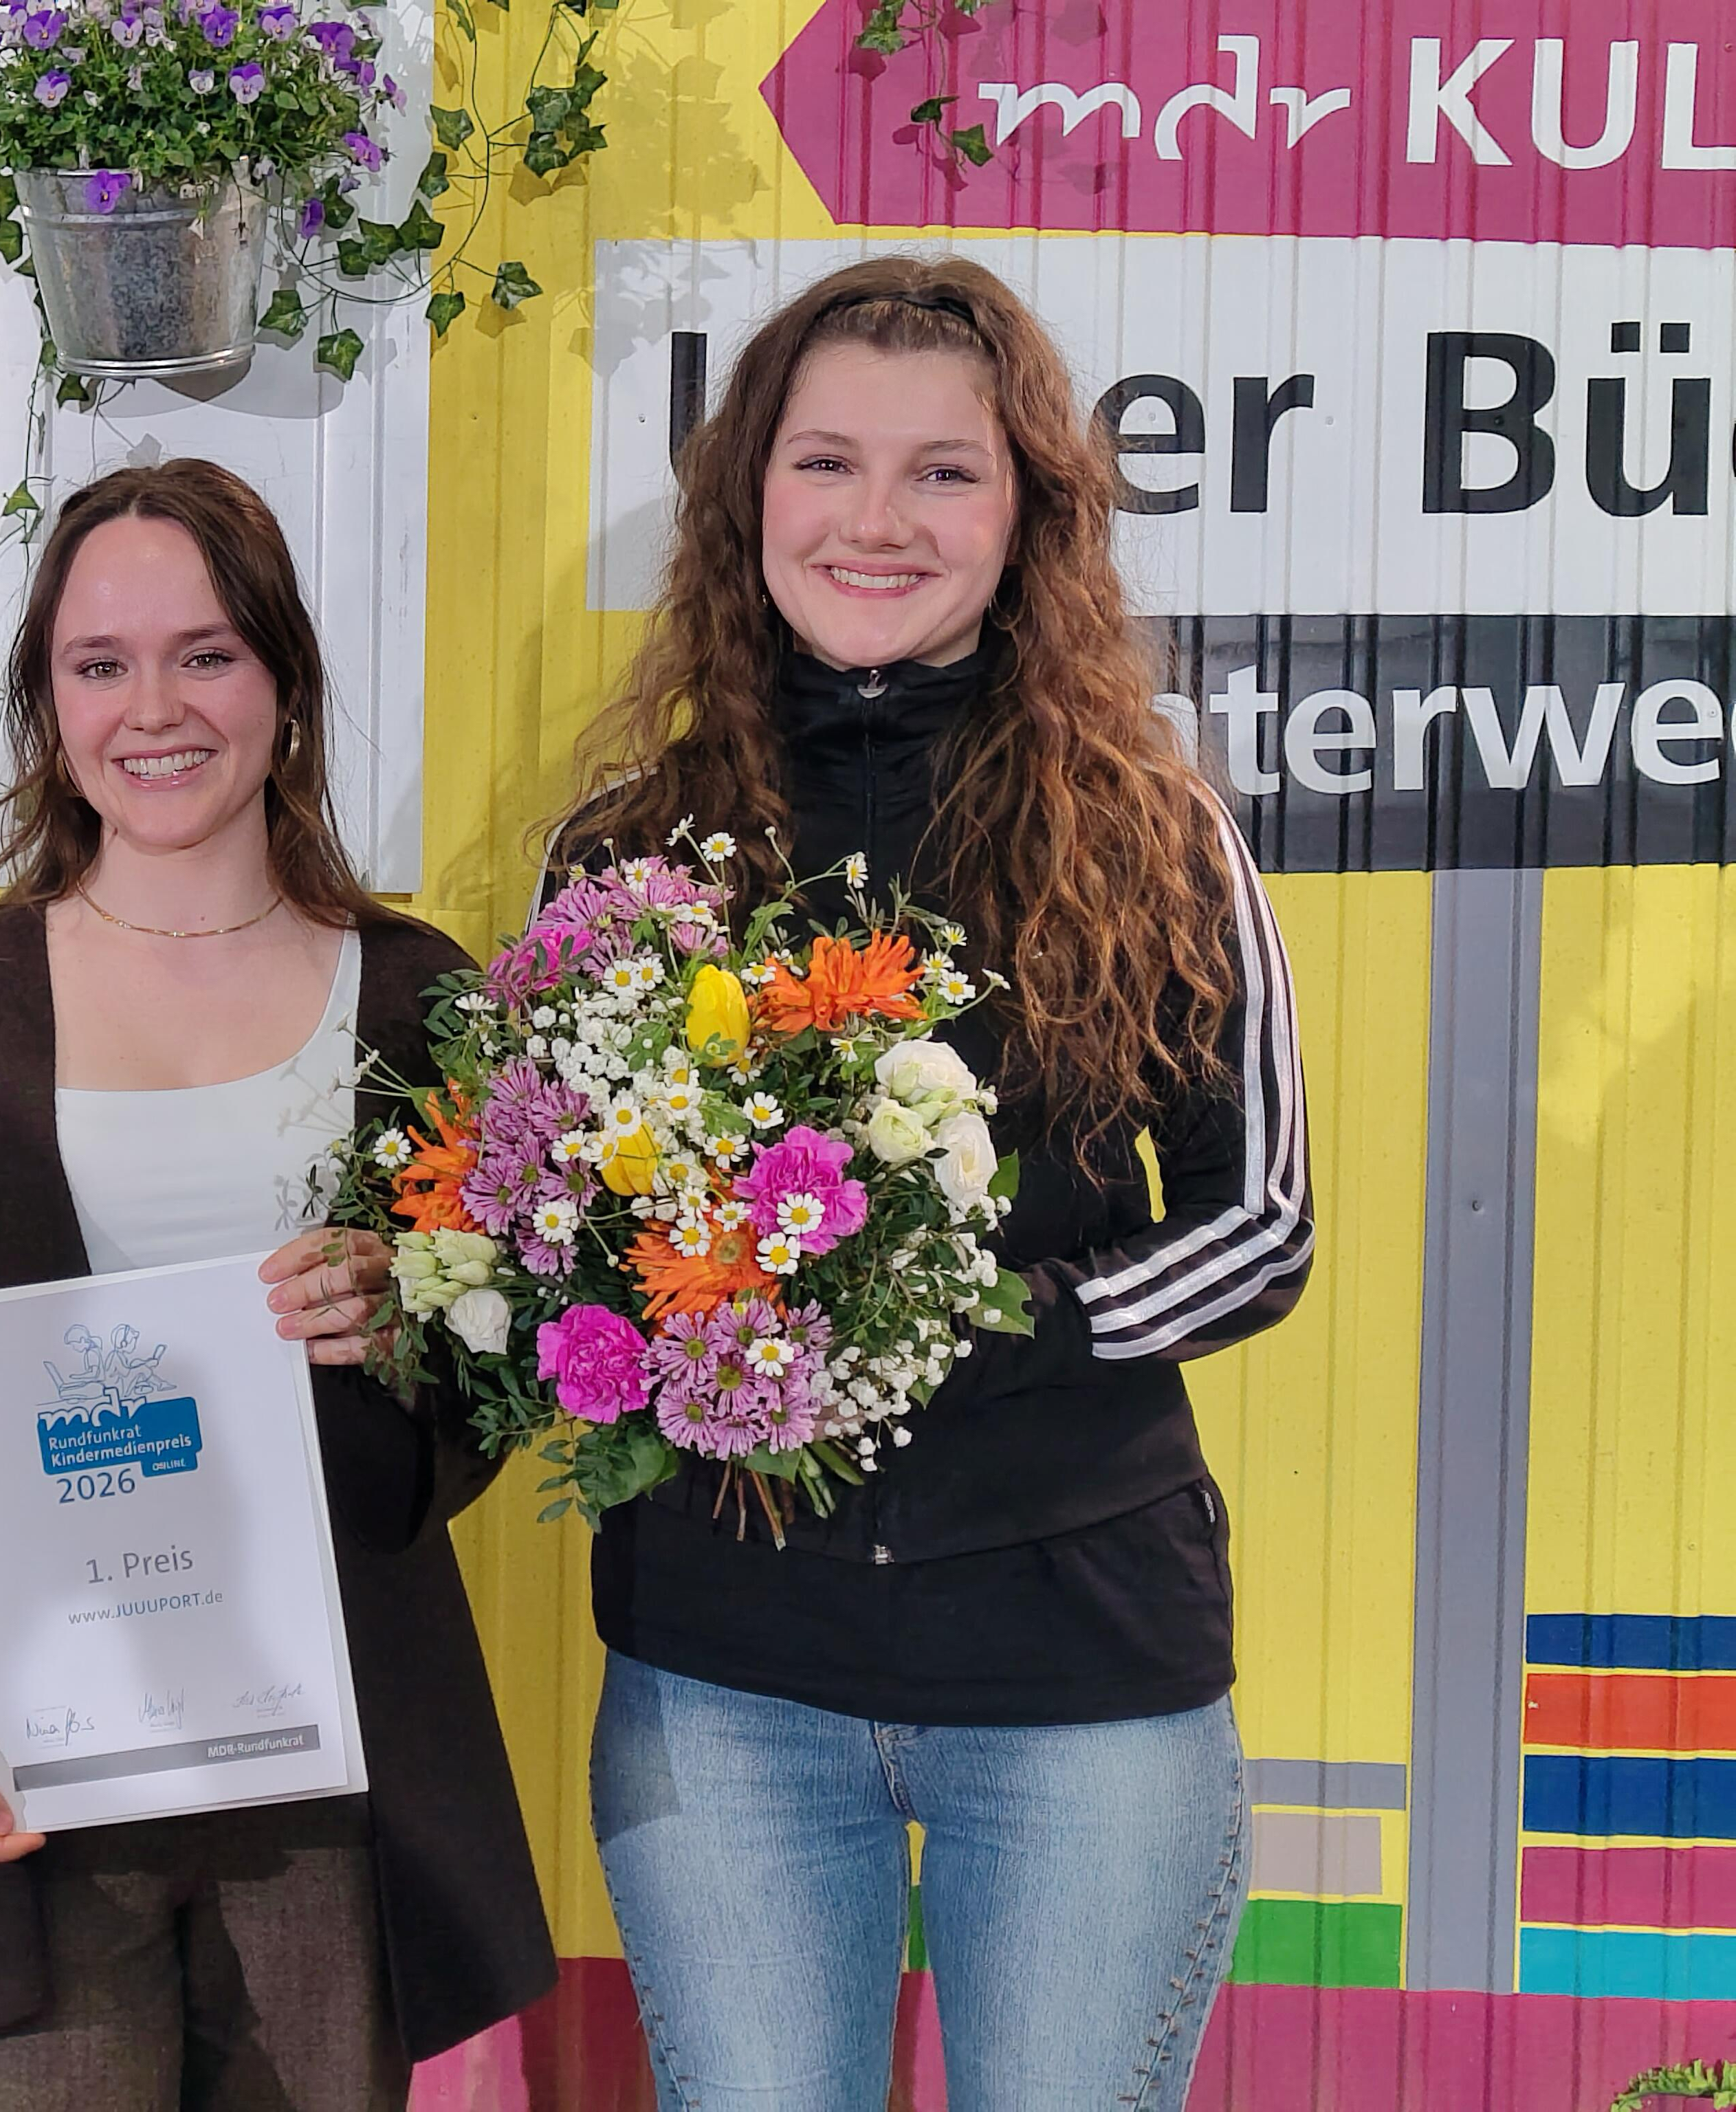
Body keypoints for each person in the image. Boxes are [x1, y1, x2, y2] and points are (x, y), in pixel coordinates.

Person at [553, 255, 1312, 2110]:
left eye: (944, 473)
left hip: (1080, 1672)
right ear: (748, 499)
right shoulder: (628, 847)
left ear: (1030, 511)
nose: (877, 520)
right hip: (726, 1681)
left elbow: (1264, 1221)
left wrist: (958, 1329)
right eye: (827, 463)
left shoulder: (1148, 822)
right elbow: (560, 1229)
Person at [0, 458, 556, 2109]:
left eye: (205, 652)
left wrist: (406, 1325)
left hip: (323, 1784)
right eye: (97, 663)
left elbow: (504, 1364)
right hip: (17, 1780)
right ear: (47, 700)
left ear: (281, 677)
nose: (153, 707)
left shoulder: (420, 1000)